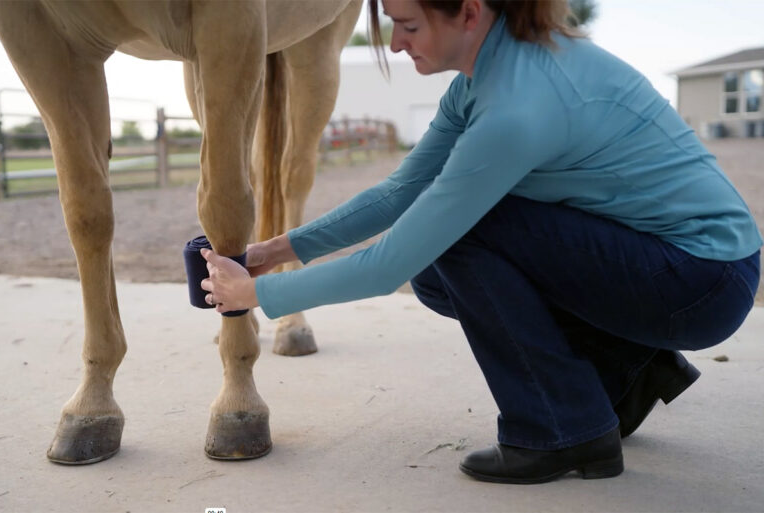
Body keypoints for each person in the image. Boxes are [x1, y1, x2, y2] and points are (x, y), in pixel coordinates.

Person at [200, 0, 762, 484]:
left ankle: (561, 429)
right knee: (439, 274)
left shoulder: (518, 107)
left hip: (700, 281)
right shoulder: (486, 76)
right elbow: (400, 192)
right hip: (680, 264)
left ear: (469, 12)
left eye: (409, 26)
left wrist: (257, 295)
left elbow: (386, 263)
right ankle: (632, 369)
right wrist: (274, 251)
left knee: (459, 234)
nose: (395, 45)